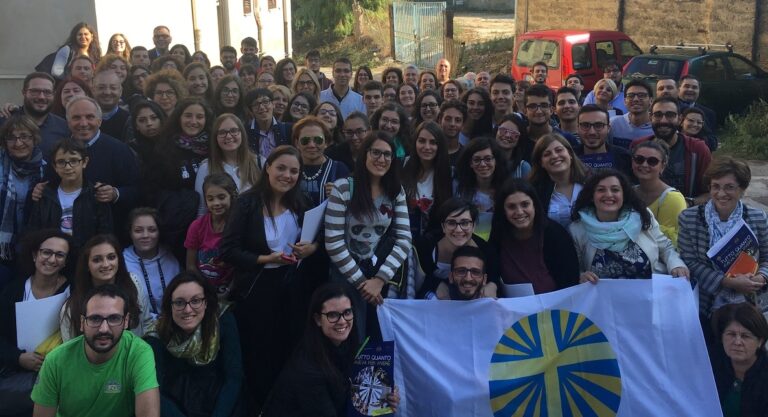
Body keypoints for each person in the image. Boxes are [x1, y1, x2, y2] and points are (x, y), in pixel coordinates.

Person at [220, 146, 317, 412]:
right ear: (268, 168)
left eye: (294, 171)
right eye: (281, 168)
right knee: (259, 355)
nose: (287, 175)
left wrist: (312, 249)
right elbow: (228, 250)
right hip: (256, 291)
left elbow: (314, 242)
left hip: (292, 289)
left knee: (289, 350)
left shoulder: (302, 201)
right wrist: (266, 259)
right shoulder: (247, 202)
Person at [261, 283, 400, 417]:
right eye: (332, 315)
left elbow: (354, 400)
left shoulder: (348, 347)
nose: (342, 321)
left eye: (347, 312)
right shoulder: (307, 370)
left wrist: (384, 400)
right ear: (317, 320)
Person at [325, 132, 412, 340]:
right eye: (375, 152)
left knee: (377, 335)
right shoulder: (344, 188)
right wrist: (363, 283)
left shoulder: (395, 191)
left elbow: (404, 238)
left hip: (379, 270)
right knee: (348, 334)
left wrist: (380, 279)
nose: (381, 159)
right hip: (345, 273)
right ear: (364, 154)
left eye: (387, 155)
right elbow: (333, 241)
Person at [31, 284, 160, 417]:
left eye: (114, 318)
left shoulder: (139, 352)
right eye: (95, 319)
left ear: (126, 321)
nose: (104, 328)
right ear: (82, 323)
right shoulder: (55, 360)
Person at [678, 157, 768, 321]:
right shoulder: (689, 218)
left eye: (729, 187)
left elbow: (766, 258)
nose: (721, 193)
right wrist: (727, 282)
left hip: (750, 303)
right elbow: (689, 261)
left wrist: (760, 277)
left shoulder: (758, 218)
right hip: (706, 304)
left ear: (742, 189)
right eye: (716, 186)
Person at [145, 271, 243, 417]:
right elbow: (153, 391)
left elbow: (234, 378)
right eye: (179, 302)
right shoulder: (157, 336)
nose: (188, 309)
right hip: (175, 407)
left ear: (206, 303)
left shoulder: (223, 321)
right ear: (169, 306)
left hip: (220, 403)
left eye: (196, 301)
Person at [569, 170, 689, 283]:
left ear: (624, 195)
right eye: (601, 190)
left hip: (649, 295)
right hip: (605, 301)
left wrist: (677, 265)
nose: (609, 195)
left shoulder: (642, 216)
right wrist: (581, 276)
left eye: (615, 190)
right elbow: (574, 269)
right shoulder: (577, 229)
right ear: (591, 196)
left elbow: (666, 248)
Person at [0, 230, 71, 416]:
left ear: (65, 262)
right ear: (34, 255)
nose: (52, 259)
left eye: (59, 255)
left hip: (60, 372)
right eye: (46, 252)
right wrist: (18, 357)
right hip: (15, 374)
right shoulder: (13, 290)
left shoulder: (75, 292)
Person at [490, 179, 579, 294]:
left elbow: (570, 280)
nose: (519, 212)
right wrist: (491, 284)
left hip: (555, 307)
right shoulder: (499, 234)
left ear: (535, 205)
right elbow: (492, 269)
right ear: (503, 210)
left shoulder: (555, 234)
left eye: (525, 204)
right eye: (511, 207)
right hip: (513, 307)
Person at [60, 234, 153, 341]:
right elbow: (70, 349)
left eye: (111, 257)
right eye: (97, 260)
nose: (105, 264)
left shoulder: (134, 283)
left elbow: (147, 324)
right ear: (87, 265)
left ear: (119, 260)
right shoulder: (71, 308)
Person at [28, 138, 113, 252]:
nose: (68, 167)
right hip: (52, 259)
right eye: (61, 162)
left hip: (85, 259)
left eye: (73, 161)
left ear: (84, 162)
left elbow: (104, 235)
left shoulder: (96, 195)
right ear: (54, 166)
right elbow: (34, 232)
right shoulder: (44, 195)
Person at [630, 96, 712, 203]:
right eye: (658, 115)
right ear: (650, 118)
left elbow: (712, 191)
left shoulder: (697, 149)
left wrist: (689, 203)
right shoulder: (638, 146)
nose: (663, 121)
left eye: (670, 115)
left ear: (679, 119)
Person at [415, 198, 499, 299]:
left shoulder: (487, 251)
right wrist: (436, 284)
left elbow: (495, 275)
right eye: (451, 223)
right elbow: (418, 280)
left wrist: (493, 284)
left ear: (474, 226)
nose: (458, 230)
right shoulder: (425, 247)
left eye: (464, 223)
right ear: (443, 226)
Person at [0, 115, 46, 270]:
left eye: (24, 136)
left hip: (32, 247)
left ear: (35, 139)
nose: (18, 143)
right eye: (11, 138)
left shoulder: (47, 170)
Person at [195, 113, 261, 214]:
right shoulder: (206, 167)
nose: (229, 136)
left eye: (234, 131)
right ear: (215, 137)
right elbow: (202, 209)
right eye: (222, 132)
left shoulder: (259, 162)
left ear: (242, 133)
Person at [710, 303, 768, 417]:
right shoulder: (711, 365)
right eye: (731, 334)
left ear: (760, 341)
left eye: (745, 336)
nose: (737, 342)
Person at [123, 208, 181, 318]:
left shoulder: (171, 260)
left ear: (159, 232)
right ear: (130, 233)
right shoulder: (122, 263)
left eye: (152, 230)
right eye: (138, 230)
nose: (145, 235)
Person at [185, 174, 237, 297]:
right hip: (203, 290)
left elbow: (242, 268)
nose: (216, 203)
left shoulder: (238, 227)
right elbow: (191, 265)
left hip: (230, 290)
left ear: (231, 196)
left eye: (221, 197)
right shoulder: (197, 226)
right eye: (210, 199)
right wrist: (203, 289)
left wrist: (229, 291)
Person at [0, 72, 70, 158]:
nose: (41, 97)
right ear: (24, 92)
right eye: (35, 91)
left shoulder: (63, 127)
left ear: (54, 94)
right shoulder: (5, 121)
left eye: (47, 92)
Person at [402, 121, 452, 239]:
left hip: (433, 240)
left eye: (433, 142)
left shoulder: (448, 174)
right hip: (402, 239)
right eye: (422, 141)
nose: (427, 147)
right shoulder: (401, 165)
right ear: (415, 142)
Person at [631, 141, 686, 246]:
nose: (644, 164)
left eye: (652, 161)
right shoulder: (629, 192)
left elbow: (669, 242)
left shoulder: (672, 199)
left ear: (663, 166)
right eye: (639, 159)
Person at [528, 133, 588, 229]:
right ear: (541, 163)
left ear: (570, 154)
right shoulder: (534, 192)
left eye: (559, 150)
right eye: (547, 154)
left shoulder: (590, 184)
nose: (555, 156)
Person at [454, 137, 509, 240]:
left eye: (488, 159)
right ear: (470, 163)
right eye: (477, 160)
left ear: (495, 161)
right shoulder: (460, 190)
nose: (483, 164)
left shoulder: (506, 191)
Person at [293, 116, 350, 207]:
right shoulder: (290, 168)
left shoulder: (339, 169)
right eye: (305, 140)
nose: (311, 145)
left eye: (318, 140)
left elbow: (352, 205)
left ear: (326, 142)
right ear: (297, 143)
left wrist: (339, 195)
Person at [574, 104, 632, 176]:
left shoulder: (625, 158)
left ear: (608, 128)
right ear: (577, 128)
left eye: (598, 125)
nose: (592, 132)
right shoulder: (570, 158)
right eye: (585, 125)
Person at [37, 23, 101, 80]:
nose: (83, 37)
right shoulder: (67, 50)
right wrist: (71, 81)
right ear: (75, 37)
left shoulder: (94, 54)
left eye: (86, 34)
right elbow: (56, 71)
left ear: (92, 37)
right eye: (80, 34)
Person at [244, 88, 292, 158]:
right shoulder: (245, 132)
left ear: (273, 105)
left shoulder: (288, 129)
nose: (261, 107)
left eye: (265, 102)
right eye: (256, 104)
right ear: (251, 111)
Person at [608, 79, 653, 149]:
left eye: (641, 95)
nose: (636, 99)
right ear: (625, 101)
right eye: (631, 96)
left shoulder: (656, 127)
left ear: (651, 101)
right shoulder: (613, 124)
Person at [92, 70, 130, 142]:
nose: (107, 92)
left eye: (113, 88)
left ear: (120, 91)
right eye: (101, 87)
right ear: (93, 90)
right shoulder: (84, 119)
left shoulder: (129, 121)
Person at [438, 100, 467, 171]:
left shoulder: (466, 155)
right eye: (448, 119)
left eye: (458, 120)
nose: (452, 124)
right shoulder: (431, 151)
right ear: (440, 121)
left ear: (463, 125)